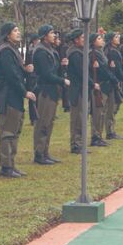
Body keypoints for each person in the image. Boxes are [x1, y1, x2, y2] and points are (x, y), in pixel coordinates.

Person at [0, 22, 36, 177]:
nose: (18, 33)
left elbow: (16, 72)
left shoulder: (12, 49)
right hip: (8, 95)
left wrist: (25, 71)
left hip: (14, 95)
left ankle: (11, 163)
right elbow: (11, 75)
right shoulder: (6, 51)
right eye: (15, 30)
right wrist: (24, 92)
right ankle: (6, 166)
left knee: (14, 130)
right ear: (7, 34)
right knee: (8, 132)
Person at [32, 24, 69, 163]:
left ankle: (45, 152)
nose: (55, 36)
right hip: (45, 90)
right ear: (45, 35)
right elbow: (46, 74)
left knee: (49, 122)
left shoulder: (51, 50)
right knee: (43, 122)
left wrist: (62, 65)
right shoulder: (41, 51)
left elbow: (53, 69)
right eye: (52, 33)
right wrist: (62, 80)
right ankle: (39, 153)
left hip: (52, 90)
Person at [67, 29, 98, 153]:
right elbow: (82, 72)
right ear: (76, 40)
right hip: (77, 89)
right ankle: (76, 144)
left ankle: (79, 143)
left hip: (81, 89)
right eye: (82, 37)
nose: (85, 40)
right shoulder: (75, 53)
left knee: (82, 116)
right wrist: (92, 84)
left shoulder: (80, 52)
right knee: (78, 118)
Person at [89, 32, 116, 147]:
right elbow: (102, 70)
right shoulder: (93, 53)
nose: (102, 40)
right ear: (94, 42)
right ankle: (95, 136)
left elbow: (105, 67)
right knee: (98, 112)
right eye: (99, 38)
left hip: (105, 84)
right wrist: (112, 77)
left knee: (102, 112)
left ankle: (99, 135)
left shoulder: (100, 53)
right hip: (99, 85)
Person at [104, 32, 123, 140]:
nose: (118, 38)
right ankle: (110, 131)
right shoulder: (112, 52)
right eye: (116, 37)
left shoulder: (113, 50)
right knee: (112, 107)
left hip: (114, 80)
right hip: (112, 82)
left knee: (116, 104)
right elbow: (116, 68)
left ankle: (111, 129)